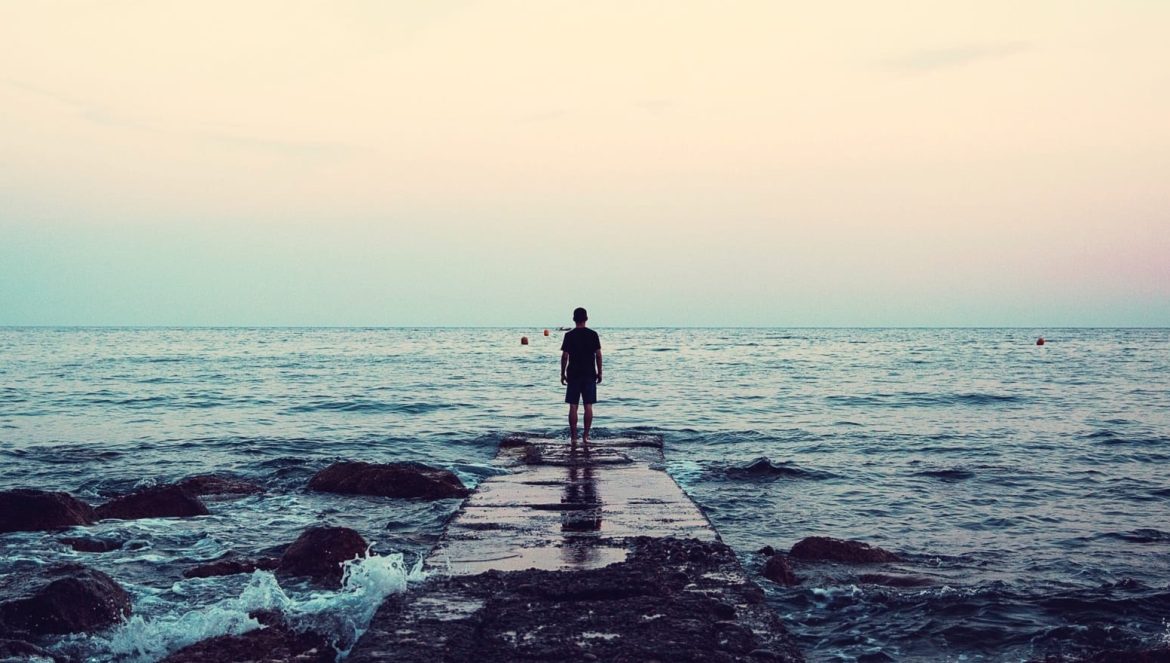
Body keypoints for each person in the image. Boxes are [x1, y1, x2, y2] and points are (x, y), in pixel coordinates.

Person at [560, 307, 602, 445]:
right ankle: (585, 437)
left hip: (573, 374)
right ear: (586, 318)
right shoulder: (593, 334)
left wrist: (562, 373)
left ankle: (573, 437)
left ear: (574, 319)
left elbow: (565, 356)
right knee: (588, 406)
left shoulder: (569, 335)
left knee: (573, 406)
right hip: (589, 373)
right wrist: (600, 372)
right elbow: (598, 355)